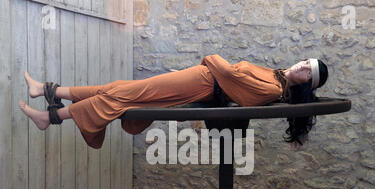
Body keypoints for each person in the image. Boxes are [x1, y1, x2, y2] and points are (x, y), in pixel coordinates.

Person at [19, 54, 328, 150]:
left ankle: (51, 117)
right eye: (304, 62)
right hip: (202, 79)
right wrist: (218, 66)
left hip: (202, 83)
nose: (301, 67)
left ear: (306, 83)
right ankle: (48, 90)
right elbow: (233, 76)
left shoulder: (273, 88)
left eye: (307, 71)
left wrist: (213, 58)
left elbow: (232, 78)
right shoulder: (273, 75)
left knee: (121, 96)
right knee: (118, 87)